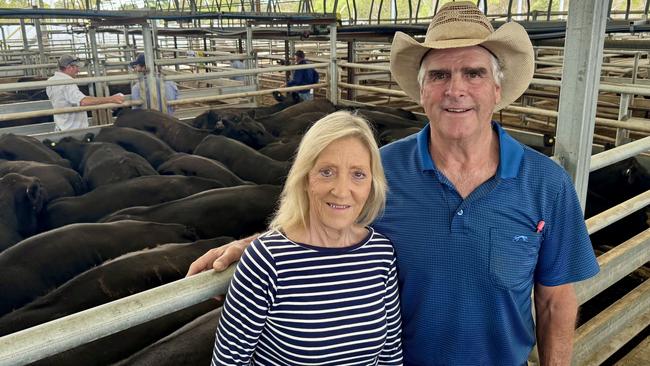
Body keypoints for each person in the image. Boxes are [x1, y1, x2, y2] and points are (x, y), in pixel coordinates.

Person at [191, 2, 600, 365]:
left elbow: (555, 299)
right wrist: (258, 245)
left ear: (497, 88)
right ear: (422, 92)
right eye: (439, 75)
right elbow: (328, 218)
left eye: (473, 73)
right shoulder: (379, 171)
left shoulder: (546, 182)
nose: (455, 89)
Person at [211, 110, 403, 365]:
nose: (342, 191)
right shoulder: (267, 260)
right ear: (304, 178)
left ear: (372, 184)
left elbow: (390, 356)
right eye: (327, 172)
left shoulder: (380, 253)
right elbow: (229, 362)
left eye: (358, 174)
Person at [46, 54, 124, 131]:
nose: (78, 70)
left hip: (61, 126)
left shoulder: (51, 81)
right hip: (73, 130)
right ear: (69, 67)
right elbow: (83, 101)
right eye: (76, 67)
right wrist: (111, 99)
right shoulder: (67, 83)